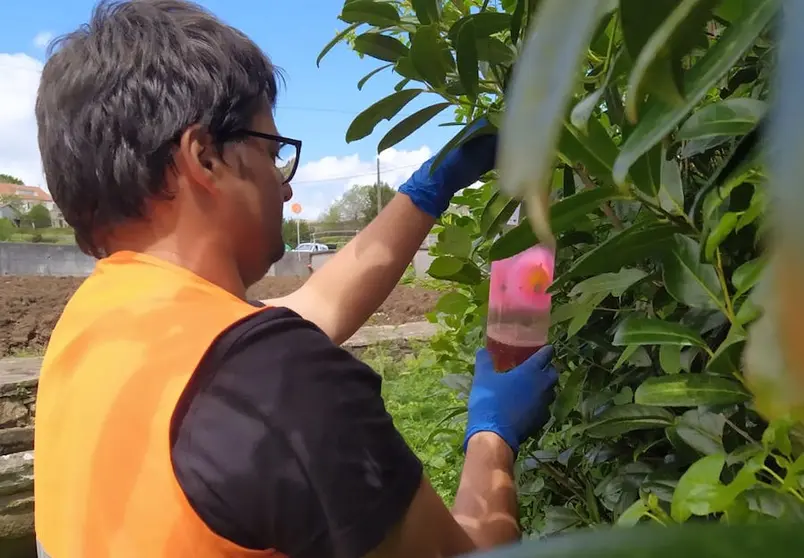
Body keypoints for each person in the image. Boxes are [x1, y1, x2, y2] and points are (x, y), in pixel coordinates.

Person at [32, 1, 559, 557]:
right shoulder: (278, 382)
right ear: (204, 158)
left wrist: (429, 188)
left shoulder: (94, 326)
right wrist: (493, 437)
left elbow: (312, 309)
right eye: (273, 152)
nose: (284, 188)